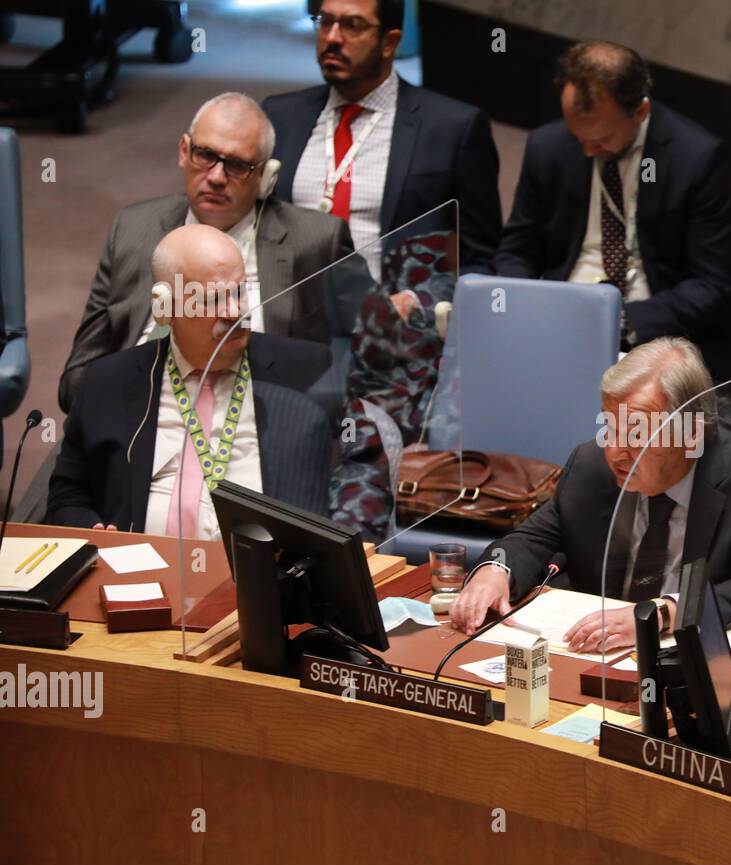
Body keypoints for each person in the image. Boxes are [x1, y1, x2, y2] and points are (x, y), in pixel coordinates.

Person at [449, 338, 731, 647]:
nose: (615, 451)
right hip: (602, 657)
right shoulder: (591, 466)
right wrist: (495, 570)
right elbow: (534, 537)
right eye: (610, 426)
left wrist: (662, 613)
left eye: (638, 434)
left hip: (710, 663)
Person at [58, 92, 360, 414]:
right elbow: (77, 378)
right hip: (138, 417)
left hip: (260, 424)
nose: (216, 177)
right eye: (205, 155)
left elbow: (366, 353)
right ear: (184, 151)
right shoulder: (133, 229)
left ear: (265, 176)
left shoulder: (317, 241)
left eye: (237, 165)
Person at [46, 225, 338, 538]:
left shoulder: (308, 371)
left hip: (270, 577)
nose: (235, 311)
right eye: (213, 299)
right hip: (142, 574)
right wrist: (94, 531)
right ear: (165, 308)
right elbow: (68, 494)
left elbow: (351, 475)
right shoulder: (107, 383)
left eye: (239, 292)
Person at [494, 40, 731, 386]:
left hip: (660, 330)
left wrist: (618, 321)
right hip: (565, 321)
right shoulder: (549, 147)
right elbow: (517, 249)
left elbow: (713, 285)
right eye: (577, 135)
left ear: (640, 112)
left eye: (600, 138)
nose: (587, 151)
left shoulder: (697, 158)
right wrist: (531, 305)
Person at [263, 0, 501, 311]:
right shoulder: (279, 117)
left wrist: (420, 300)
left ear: (389, 42)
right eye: (325, 21)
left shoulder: (453, 129)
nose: (332, 37)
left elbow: (482, 259)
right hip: (288, 315)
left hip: (387, 326)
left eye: (352, 25)